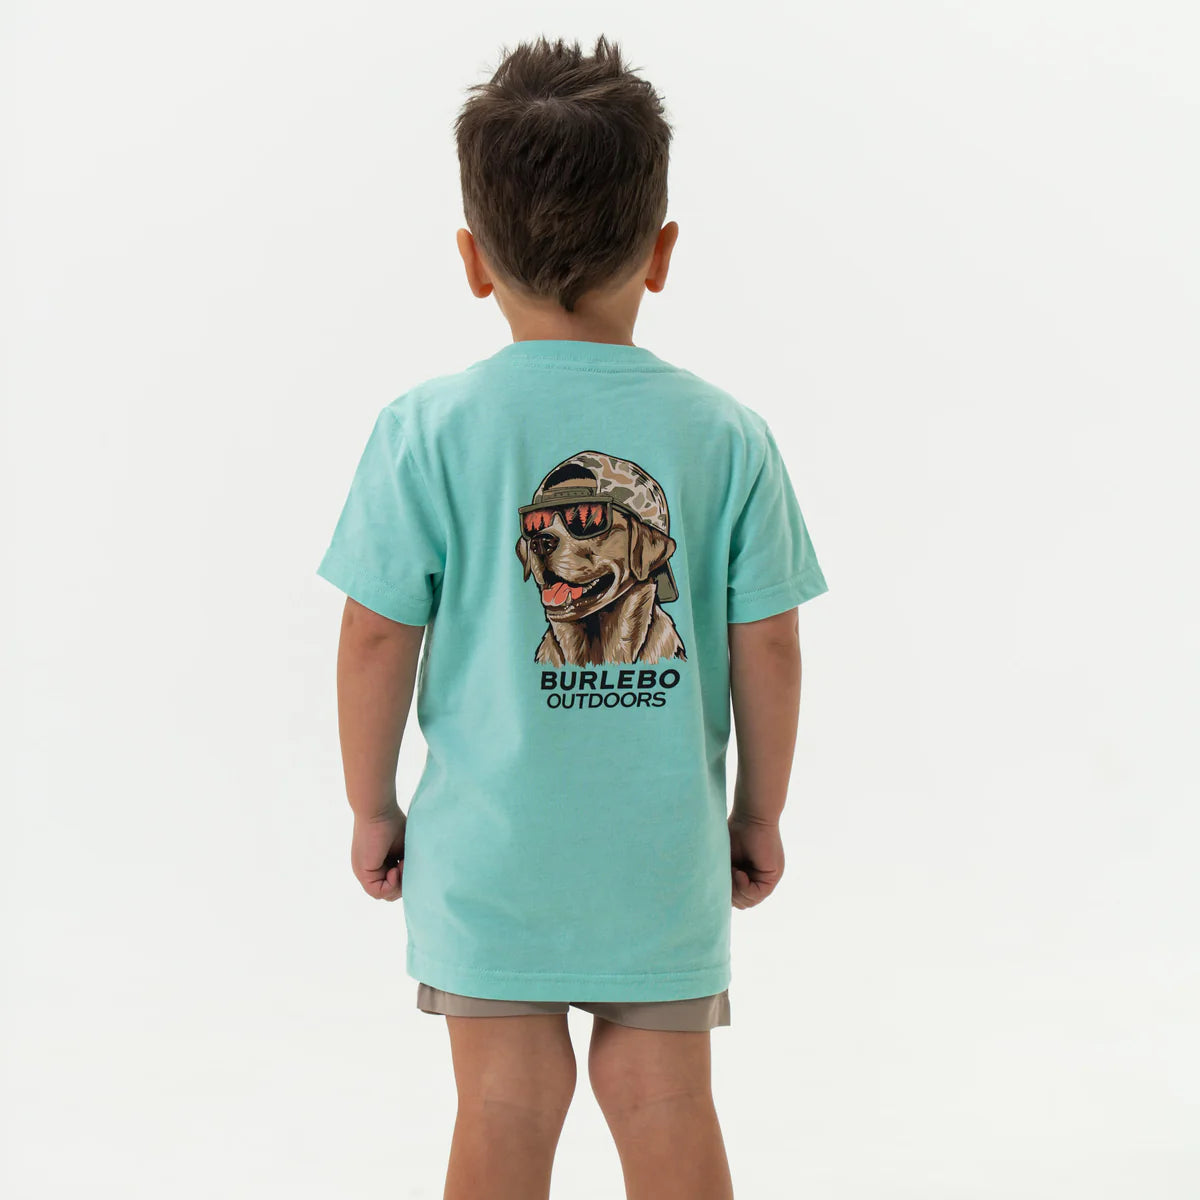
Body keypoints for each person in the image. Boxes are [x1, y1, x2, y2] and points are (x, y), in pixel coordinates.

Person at [315, 33, 829, 1200]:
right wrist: (758, 812)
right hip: (661, 858)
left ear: (471, 259)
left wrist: (372, 804)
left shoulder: (426, 430)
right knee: (665, 1098)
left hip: (487, 857)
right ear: (661, 253)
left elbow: (375, 634)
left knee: (503, 1101)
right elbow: (772, 642)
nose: (555, 545)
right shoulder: (728, 435)